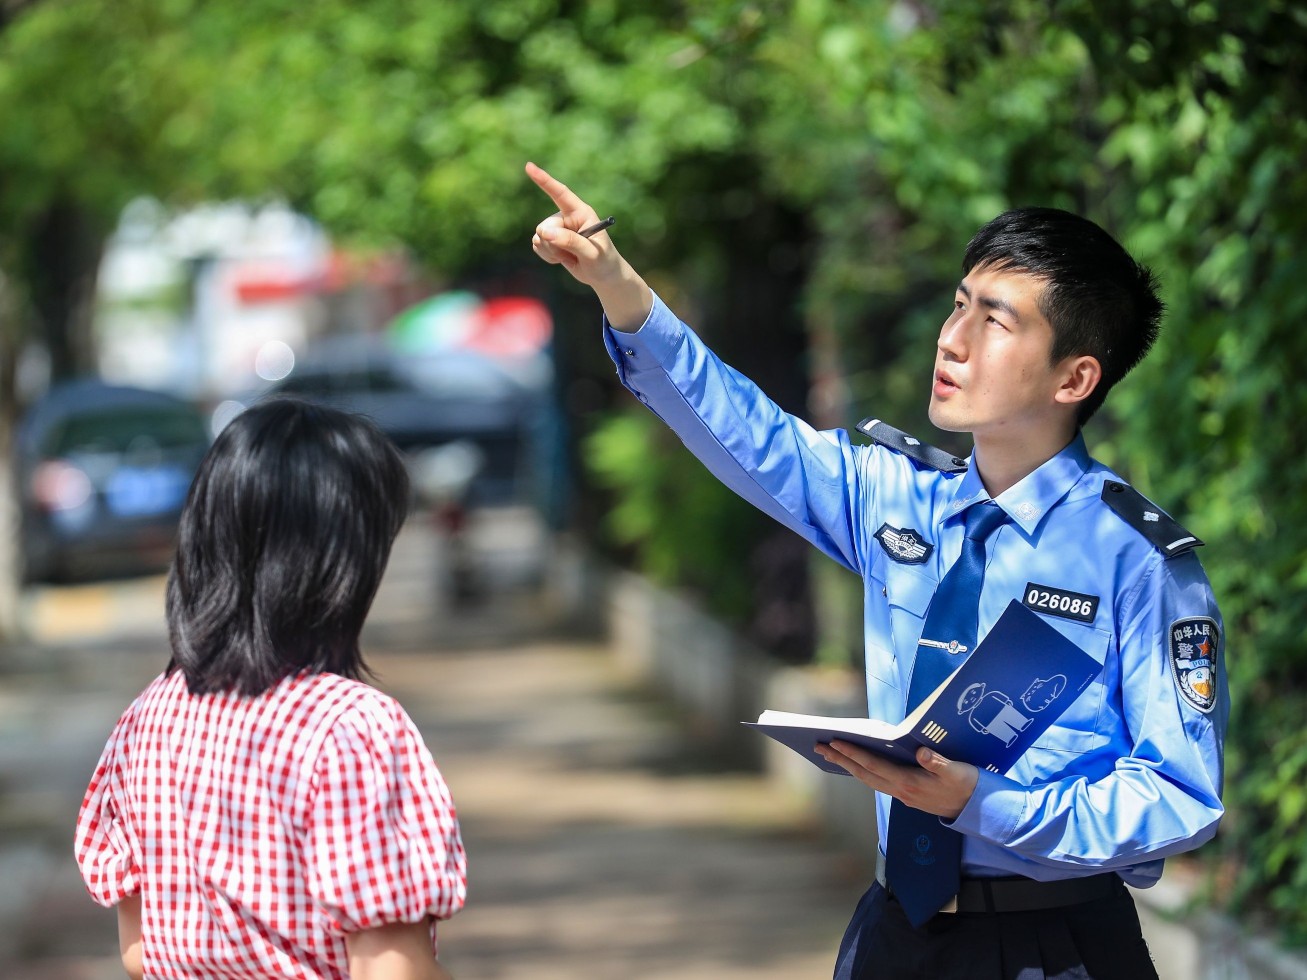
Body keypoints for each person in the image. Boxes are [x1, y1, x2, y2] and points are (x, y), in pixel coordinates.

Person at [526, 161, 1226, 980]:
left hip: (1055, 945)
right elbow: (747, 433)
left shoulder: (1134, 560)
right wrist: (618, 285)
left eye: (994, 322)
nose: (951, 338)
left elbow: (1178, 796)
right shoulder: (899, 498)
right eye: (958, 304)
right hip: (896, 932)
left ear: (1073, 377)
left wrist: (979, 804)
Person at [74, 399, 467, 980]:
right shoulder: (352, 729)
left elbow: (138, 951)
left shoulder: (146, 720)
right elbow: (391, 968)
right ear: (341, 562)